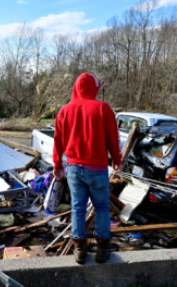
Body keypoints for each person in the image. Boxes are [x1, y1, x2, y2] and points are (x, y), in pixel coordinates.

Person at [52, 72, 122, 264]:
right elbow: (112, 138)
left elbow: (57, 140)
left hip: (74, 168)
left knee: (78, 208)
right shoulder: (103, 109)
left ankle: (80, 250)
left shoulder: (64, 111)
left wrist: (57, 164)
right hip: (97, 169)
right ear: (94, 88)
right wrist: (117, 160)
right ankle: (102, 250)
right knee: (101, 208)